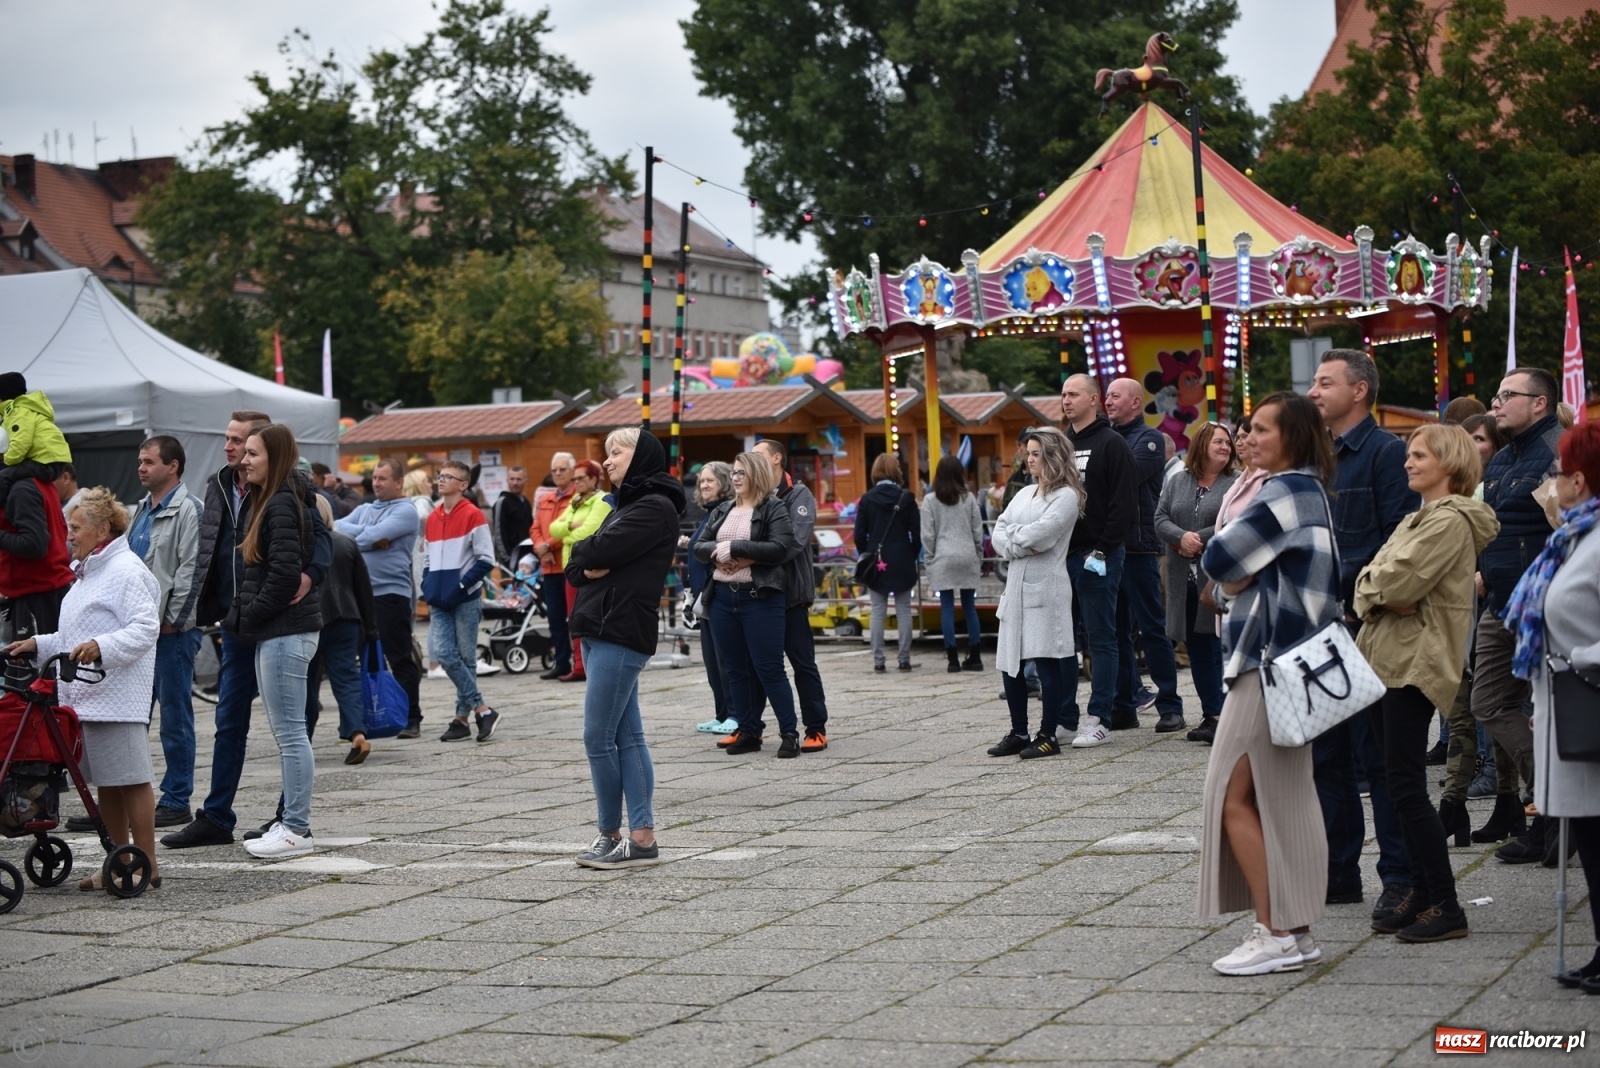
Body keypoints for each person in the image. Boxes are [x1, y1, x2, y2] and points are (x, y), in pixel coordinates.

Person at [1198, 391, 1339, 975]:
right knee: (1282, 799)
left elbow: (1217, 560)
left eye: (1261, 430)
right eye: (1248, 428)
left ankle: (1274, 932)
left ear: (1293, 437)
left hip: (1266, 662)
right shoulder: (1310, 490)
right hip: (1291, 663)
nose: (1248, 438)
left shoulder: (1281, 491)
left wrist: (1234, 578)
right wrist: (1237, 576)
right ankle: (1293, 931)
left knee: (1230, 797)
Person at [1354, 425, 1499, 943]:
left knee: (1408, 787)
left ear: (1449, 462)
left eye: (1419, 455)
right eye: (1409, 454)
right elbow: (1372, 579)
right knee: (1396, 786)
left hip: (1414, 663)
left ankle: (1446, 903)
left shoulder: (1450, 520)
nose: (1408, 462)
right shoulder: (1417, 517)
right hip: (1385, 658)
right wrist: (1373, 591)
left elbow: (1397, 582)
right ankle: (1420, 891)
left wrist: (1373, 590)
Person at [162, 411, 331, 850]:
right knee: (230, 720)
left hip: (273, 619)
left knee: (294, 723)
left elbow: (316, 544)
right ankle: (218, 817)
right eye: (230, 439)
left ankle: (291, 821)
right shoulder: (221, 485)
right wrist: (214, 610)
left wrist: (309, 576)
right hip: (241, 620)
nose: (230, 448)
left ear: (268, 450)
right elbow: (209, 551)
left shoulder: (288, 492)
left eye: (241, 443)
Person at [5, 487, 161, 891]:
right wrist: (37, 644)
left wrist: (101, 646)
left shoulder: (125, 571)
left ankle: (148, 863)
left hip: (117, 697)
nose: (68, 535)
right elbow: (74, 635)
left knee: (131, 779)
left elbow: (146, 628)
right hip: (91, 697)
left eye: (75, 527)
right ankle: (119, 860)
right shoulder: (89, 572)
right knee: (107, 782)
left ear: (102, 530)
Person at [1307, 348, 1415, 915]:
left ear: (1359, 391)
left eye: (1325, 382)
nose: (1314, 392)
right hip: (1318, 629)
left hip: (1366, 627)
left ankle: (1398, 876)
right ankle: (1339, 872)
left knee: (1380, 759)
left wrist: (1351, 594)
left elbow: (1397, 541)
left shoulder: (1385, 453)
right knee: (1327, 758)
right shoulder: (1313, 456)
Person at [1498, 422, 1600, 989]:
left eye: (1558, 472)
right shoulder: (1572, 538)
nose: (1551, 482)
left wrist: (1577, 661)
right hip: (1567, 705)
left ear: (1579, 481)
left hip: (1587, 701)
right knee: (1590, 834)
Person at [568, 427, 685, 869]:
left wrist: (587, 555)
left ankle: (612, 834)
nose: (608, 460)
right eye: (607, 453)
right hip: (600, 627)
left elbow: (594, 549)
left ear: (641, 457)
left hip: (619, 628)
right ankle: (639, 838)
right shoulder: (626, 506)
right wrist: (587, 560)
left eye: (617, 452)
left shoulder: (654, 507)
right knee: (626, 736)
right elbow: (576, 564)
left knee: (597, 737)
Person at [223, 424, 325, 859]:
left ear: (275, 458)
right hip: (280, 630)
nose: (244, 460)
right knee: (289, 733)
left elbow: (284, 575)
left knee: (290, 734)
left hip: (286, 631)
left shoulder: (280, 502)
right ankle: (292, 823)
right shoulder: (272, 499)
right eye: (245, 453)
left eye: (253, 454)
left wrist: (249, 615)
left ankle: (296, 828)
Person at [1475, 368, 1564, 860]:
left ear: (1539, 403)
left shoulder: (1557, 453)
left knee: (1549, 712)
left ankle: (1554, 812)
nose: (1496, 403)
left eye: (1507, 395)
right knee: (1488, 702)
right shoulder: (1503, 456)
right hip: (1499, 601)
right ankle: (1555, 797)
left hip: (1540, 607)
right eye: (1496, 394)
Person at [695, 451, 801, 756]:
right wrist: (718, 554)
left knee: (769, 669)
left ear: (756, 475)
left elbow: (781, 546)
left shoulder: (772, 506)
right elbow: (699, 545)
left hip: (760, 597)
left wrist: (735, 549)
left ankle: (790, 734)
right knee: (735, 670)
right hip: (722, 598)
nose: (736, 478)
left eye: (742, 473)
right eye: (734, 473)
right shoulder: (724, 509)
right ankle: (749, 731)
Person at [987, 427, 1084, 759]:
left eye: (1035, 454)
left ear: (1052, 456)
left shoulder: (1067, 496)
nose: (1029, 459)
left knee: (1047, 661)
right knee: (1010, 662)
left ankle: (1048, 734)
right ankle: (1019, 731)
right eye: (1027, 453)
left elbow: (1042, 536)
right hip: (1015, 587)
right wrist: (1018, 541)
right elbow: (998, 533)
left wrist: (1015, 539)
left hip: (1047, 589)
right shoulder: (1024, 493)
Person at [129, 435, 204, 829]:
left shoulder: (191, 510)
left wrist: (174, 621)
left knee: (175, 719)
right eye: (140, 461)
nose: (141, 468)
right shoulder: (141, 509)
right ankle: (126, 796)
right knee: (131, 719)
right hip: (139, 633)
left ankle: (176, 799)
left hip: (171, 633)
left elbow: (193, 571)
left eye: (149, 461)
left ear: (172, 466)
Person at [1104, 377, 1186, 733]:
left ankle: (1170, 705)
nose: (1108, 401)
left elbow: (1121, 479)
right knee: (1115, 631)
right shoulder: (1107, 437)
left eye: (1115, 395)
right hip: (1109, 548)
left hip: (1138, 548)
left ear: (1136, 402)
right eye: (1106, 395)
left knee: (1152, 628)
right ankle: (1124, 705)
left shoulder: (1149, 440)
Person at [1060, 373, 1137, 742]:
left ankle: (1099, 718)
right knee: (1062, 640)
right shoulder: (1061, 445)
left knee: (1101, 637)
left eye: (1074, 394)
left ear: (1093, 400)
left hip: (1098, 554)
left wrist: (1103, 549)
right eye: (1063, 394)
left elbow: (1124, 504)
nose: (1066, 400)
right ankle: (1065, 717)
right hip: (1061, 556)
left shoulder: (1112, 443)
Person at [1155, 421, 1240, 746]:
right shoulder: (1178, 480)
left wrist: (1198, 539)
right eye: (1218, 441)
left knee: (1218, 649)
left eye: (1228, 443)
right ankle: (1212, 715)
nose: (1225, 447)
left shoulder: (1235, 482)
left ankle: (1227, 716)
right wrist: (1181, 537)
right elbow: (1160, 517)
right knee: (1198, 650)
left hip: (1215, 580)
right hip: (1183, 580)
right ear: (1201, 444)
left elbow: (1234, 522)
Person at [336, 458, 423, 741]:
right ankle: (375, 715)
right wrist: (373, 538)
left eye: (383, 478)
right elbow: (335, 527)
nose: (376, 483)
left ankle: (411, 717)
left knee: (399, 657)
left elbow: (358, 538)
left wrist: (368, 537)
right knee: (366, 659)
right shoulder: (364, 509)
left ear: (399, 482)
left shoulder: (405, 511)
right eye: (374, 477)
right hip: (361, 596)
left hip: (391, 594)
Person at [754, 439, 832, 750]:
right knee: (757, 665)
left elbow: (796, 541)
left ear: (776, 458)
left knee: (803, 663)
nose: (751, 460)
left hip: (791, 593)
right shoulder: (754, 493)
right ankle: (750, 727)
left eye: (758, 455)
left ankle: (816, 727)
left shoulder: (799, 494)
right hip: (759, 591)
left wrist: (755, 555)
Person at [421, 459, 500, 743]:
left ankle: (461, 719)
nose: (441, 480)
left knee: (466, 659)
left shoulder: (473, 514)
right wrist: (427, 584)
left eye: (448, 477)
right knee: (445, 655)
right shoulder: (432, 517)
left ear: (463, 485)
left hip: (465, 598)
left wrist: (463, 585)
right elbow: (427, 557)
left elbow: (486, 559)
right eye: (440, 476)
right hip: (438, 598)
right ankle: (483, 709)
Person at [308, 496, 378, 765]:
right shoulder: (347, 542)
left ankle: (302, 738)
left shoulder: (301, 544)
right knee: (347, 678)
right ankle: (357, 733)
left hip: (310, 620)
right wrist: (371, 629)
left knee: (306, 682)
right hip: (347, 618)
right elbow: (364, 589)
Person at [0, 440, 73, 641]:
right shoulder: (41, 483)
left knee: (38, 661)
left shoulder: (22, 489)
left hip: (38, 595)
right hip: (43, 592)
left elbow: (35, 545)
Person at [854, 452, 920, 672]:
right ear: (895, 471)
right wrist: (911, 555)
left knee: (877, 610)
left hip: (877, 560)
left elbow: (859, 534)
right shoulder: (906, 498)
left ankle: (879, 660)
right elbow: (917, 534)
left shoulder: (867, 499)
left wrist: (867, 554)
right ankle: (904, 659)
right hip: (902, 558)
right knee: (904, 610)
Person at [682, 462, 736, 734]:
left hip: (719, 595)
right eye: (701, 481)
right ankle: (722, 713)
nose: (703, 485)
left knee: (726, 660)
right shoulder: (710, 513)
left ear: (724, 483)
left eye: (710, 481)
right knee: (712, 662)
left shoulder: (726, 513)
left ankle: (735, 715)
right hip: (704, 599)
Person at [549, 460, 612, 682]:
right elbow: (553, 528)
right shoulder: (576, 501)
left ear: (594, 479)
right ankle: (579, 666)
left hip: (590, 568)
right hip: (572, 568)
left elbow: (589, 533)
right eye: (574, 479)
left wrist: (567, 534)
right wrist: (570, 527)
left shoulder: (601, 500)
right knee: (574, 619)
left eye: (581, 478)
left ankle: (588, 667)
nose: (576, 482)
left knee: (588, 619)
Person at [922, 455, 986, 674]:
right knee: (969, 607)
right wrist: (978, 555)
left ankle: (952, 659)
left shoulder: (930, 500)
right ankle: (975, 656)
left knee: (947, 607)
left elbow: (928, 534)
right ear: (960, 474)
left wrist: (929, 559)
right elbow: (978, 530)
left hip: (943, 556)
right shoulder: (969, 499)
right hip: (967, 555)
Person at [532, 452, 578, 680]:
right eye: (554, 470)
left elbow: (572, 528)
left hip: (568, 566)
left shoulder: (577, 498)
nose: (558, 474)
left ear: (572, 471)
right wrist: (541, 546)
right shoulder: (546, 498)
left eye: (562, 469)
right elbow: (535, 528)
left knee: (575, 618)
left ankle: (579, 663)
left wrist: (548, 545)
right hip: (549, 568)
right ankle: (561, 662)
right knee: (555, 619)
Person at [491, 464, 533, 567]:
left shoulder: (526, 502)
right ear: (507, 480)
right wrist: (507, 559)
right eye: (512, 479)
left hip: (528, 559)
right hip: (510, 560)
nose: (515, 483)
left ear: (525, 481)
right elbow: (498, 534)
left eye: (519, 479)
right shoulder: (502, 503)